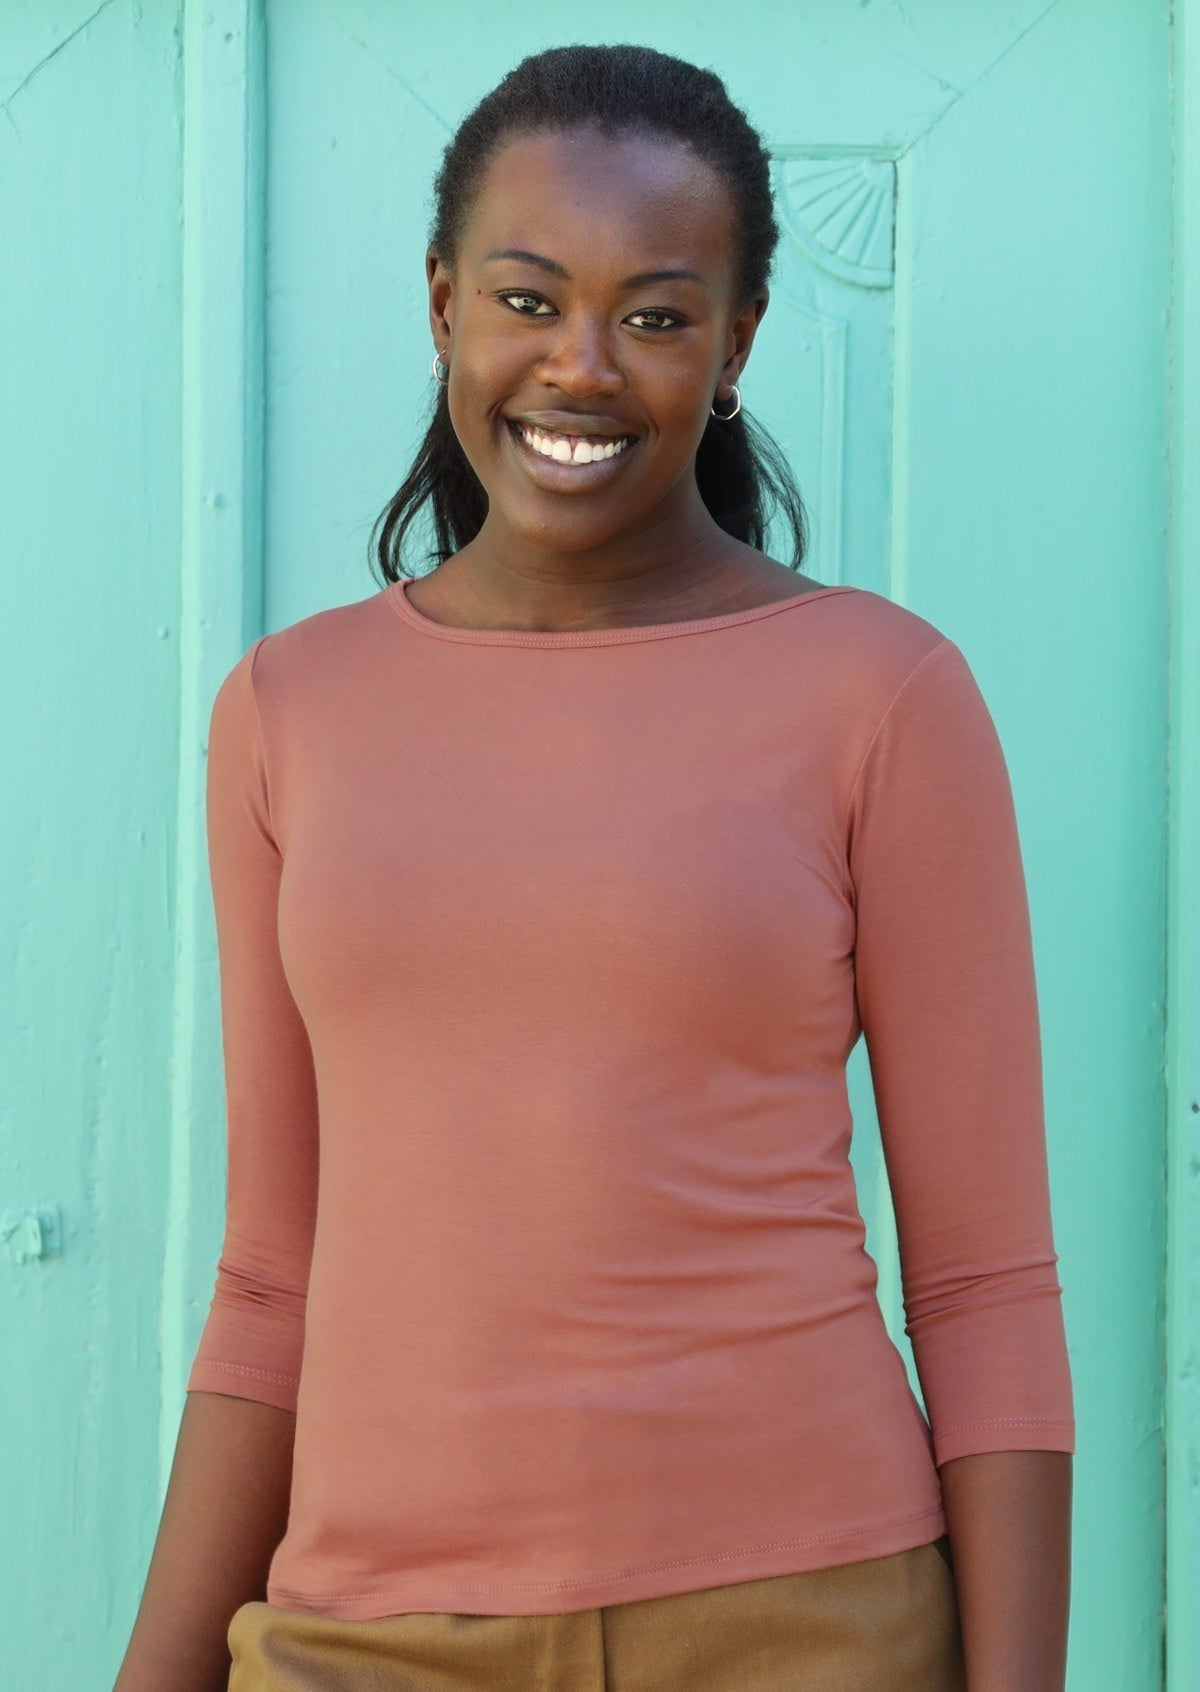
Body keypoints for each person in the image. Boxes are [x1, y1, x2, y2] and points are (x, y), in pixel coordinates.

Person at [114, 42, 1075, 1692]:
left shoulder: (881, 696)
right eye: (528, 299)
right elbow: (275, 1275)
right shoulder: (288, 712)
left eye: (653, 315)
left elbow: (985, 1288)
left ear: (736, 340)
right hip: (366, 1628)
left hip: (806, 1620)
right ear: (440, 307)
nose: (580, 368)